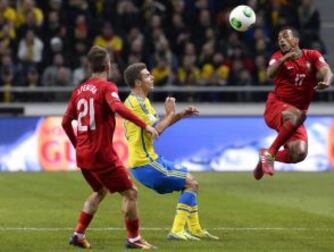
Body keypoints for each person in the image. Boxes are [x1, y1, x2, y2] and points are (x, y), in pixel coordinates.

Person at [62, 46, 159, 249]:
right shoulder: (107, 87)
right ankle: (134, 238)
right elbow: (117, 107)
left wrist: (78, 145)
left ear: (90, 66)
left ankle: (78, 234)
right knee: (131, 193)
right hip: (101, 153)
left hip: (83, 154)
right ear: (108, 66)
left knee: (100, 190)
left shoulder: (78, 90)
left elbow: (65, 122)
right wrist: (145, 124)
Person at [122, 62, 219, 241]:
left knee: (191, 183)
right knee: (191, 184)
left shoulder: (142, 101)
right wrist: (170, 113)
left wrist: (180, 115)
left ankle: (195, 229)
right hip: (145, 164)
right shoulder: (136, 103)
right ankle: (177, 230)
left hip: (149, 160)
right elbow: (156, 131)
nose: (151, 77)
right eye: (147, 75)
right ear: (137, 82)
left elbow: (158, 127)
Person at [254, 27, 334, 180]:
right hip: (276, 107)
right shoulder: (278, 56)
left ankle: (266, 155)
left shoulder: (312, 55)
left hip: (296, 116)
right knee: (298, 115)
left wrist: (327, 82)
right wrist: (284, 59)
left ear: (296, 41)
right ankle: (271, 153)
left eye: (285, 37)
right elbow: (269, 73)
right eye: (279, 38)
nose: (281, 40)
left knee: (299, 153)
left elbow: (327, 71)